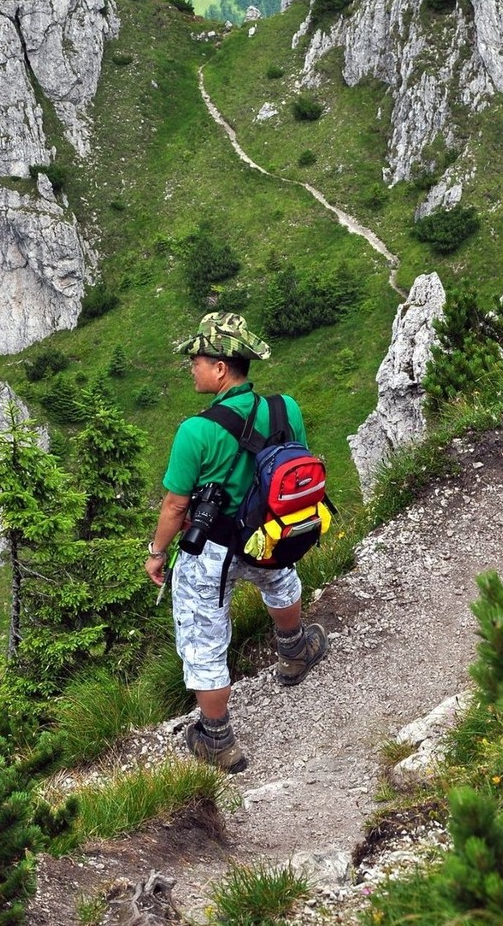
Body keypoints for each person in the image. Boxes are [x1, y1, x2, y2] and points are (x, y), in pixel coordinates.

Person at [144, 312, 328, 773]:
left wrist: (157, 552)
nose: (191, 367)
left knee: (205, 638)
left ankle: (218, 741)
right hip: (269, 536)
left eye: (197, 360)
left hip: (211, 550)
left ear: (221, 368)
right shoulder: (286, 408)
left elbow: (173, 507)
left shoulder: (197, 431)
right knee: (281, 581)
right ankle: (294, 652)